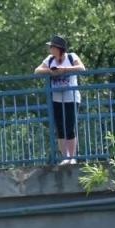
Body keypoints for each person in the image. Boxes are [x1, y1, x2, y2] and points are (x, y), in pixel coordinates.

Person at [35, 35, 84, 164]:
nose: (50, 49)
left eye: (52, 47)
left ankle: (72, 157)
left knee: (70, 127)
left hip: (71, 97)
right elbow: (37, 71)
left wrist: (64, 70)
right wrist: (51, 71)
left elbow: (81, 68)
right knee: (60, 128)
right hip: (56, 98)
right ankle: (64, 157)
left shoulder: (71, 57)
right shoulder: (50, 59)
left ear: (59, 48)